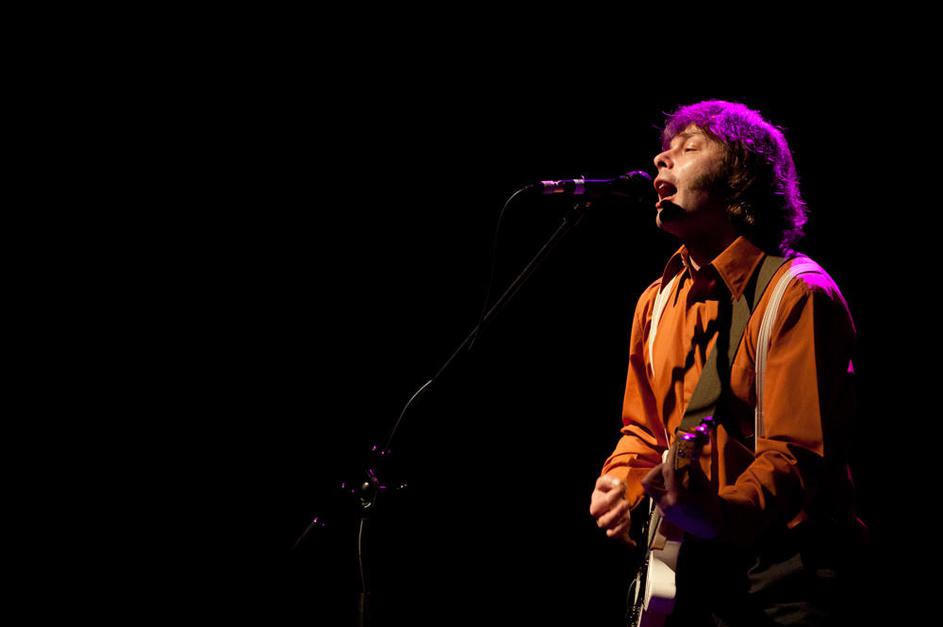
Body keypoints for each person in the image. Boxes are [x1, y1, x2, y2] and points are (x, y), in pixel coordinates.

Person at [588, 100, 869, 626]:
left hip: (788, 575)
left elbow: (793, 457)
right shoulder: (656, 302)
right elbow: (643, 430)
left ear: (741, 179)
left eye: (689, 148)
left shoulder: (797, 295)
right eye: (664, 152)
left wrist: (715, 514)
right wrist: (623, 482)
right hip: (696, 571)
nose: (661, 160)